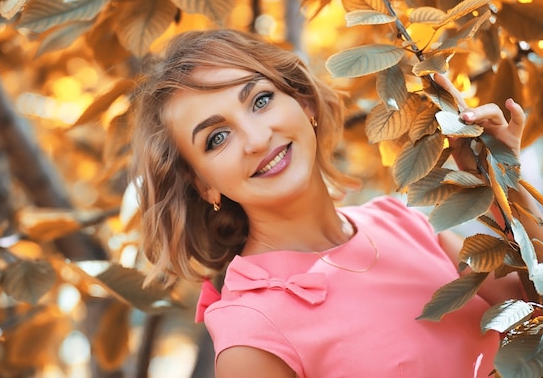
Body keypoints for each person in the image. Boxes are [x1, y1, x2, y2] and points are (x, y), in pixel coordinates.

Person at [131, 29, 541, 378]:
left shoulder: (398, 222)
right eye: (217, 138)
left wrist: (500, 179)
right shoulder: (251, 334)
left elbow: (535, 304)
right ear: (203, 185)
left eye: (259, 100)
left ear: (303, 102)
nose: (256, 139)